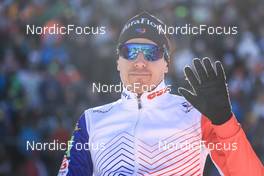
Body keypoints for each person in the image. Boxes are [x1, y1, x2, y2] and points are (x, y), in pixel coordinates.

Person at [58, 12, 263, 176]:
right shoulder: (91, 120)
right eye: (130, 51)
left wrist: (225, 122)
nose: (139, 61)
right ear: (118, 61)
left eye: (151, 52)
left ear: (166, 63)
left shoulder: (197, 114)